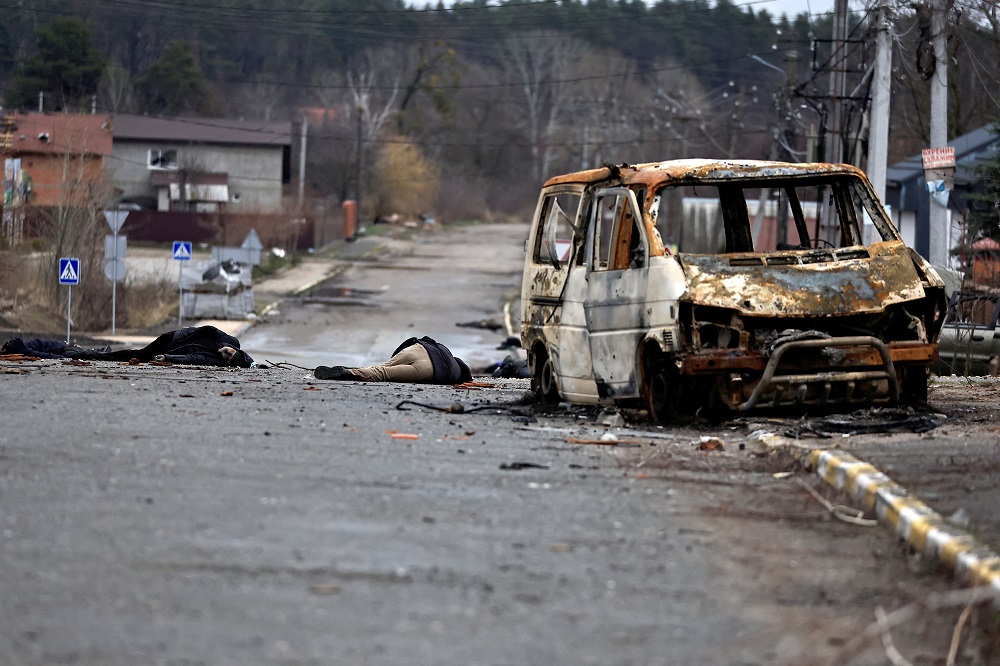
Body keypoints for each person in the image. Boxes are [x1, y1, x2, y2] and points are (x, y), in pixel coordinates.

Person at [3, 326, 254, 368]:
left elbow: (194, 356)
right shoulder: (229, 344)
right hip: (170, 342)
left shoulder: (221, 355)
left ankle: (27, 346)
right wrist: (168, 356)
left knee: (113, 355)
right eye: (229, 354)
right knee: (86, 356)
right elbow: (196, 355)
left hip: (170, 341)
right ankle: (21, 346)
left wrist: (168, 356)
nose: (226, 356)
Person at [315, 336, 472, 384]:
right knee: (383, 374)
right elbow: (467, 374)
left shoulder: (447, 353)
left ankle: (356, 370)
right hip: (430, 371)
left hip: (419, 348)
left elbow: (418, 340)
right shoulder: (455, 373)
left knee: (382, 367)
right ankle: (348, 372)